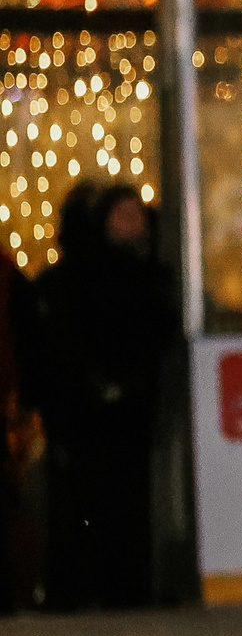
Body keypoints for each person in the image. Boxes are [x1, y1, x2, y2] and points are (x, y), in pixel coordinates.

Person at [25, 183, 181, 611]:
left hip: (127, 414)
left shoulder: (150, 280)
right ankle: (80, 588)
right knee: (82, 502)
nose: (134, 224)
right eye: (123, 215)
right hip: (82, 416)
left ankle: (123, 586)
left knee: (126, 502)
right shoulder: (76, 283)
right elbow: (54, 349)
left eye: (138, 214)